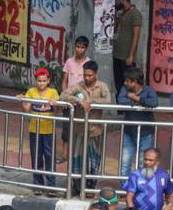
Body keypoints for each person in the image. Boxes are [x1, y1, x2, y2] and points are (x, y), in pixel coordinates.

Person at [60, 59, 111, 191]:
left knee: (93, 162)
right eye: (85, 75)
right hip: (79, 131)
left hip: (95, 131)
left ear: (96, 74)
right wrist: (79, 101)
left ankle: (89, 188)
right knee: (77, 159)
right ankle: (76, 187)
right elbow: (63, 95)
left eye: (90, 75)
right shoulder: (79, 86)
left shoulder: (102, 86)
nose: (87, 78)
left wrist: (90, 101)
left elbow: (108, 101)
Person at [18, 67, 60, 190]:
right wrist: (23, 100)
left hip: (49, 130)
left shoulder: (53, 92)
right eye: (39, 80)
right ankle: (38, 184)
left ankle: (51, 186)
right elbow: (27, 109)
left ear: (48, 81)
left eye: (44, 80)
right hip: (34, 129)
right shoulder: (31, 91)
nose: (41, 83)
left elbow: (57, 111)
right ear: (36, 81)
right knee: (36, 156)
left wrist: (55, 104)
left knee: (49, 157)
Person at [117, 67, 158, 176]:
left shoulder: (148, 90)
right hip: (129, 132)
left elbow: (154, 102)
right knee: (125, 163)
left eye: (127, 81)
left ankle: (142, 189)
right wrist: (138, 103)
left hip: (145, 133)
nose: (125, 83)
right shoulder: (125, 89)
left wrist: (136, 99)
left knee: (143, 162)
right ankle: (125, 189)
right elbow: (121, 101)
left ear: (134, 82)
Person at [115, 0, 143, 91]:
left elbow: (136, 36)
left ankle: (126, 107)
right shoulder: (121, 13)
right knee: (118, 84)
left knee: (128, 85)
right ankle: (119, 107)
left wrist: (131, 55)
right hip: (117, 54)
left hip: (126, 56)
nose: (116, 2)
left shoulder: (135, 14)